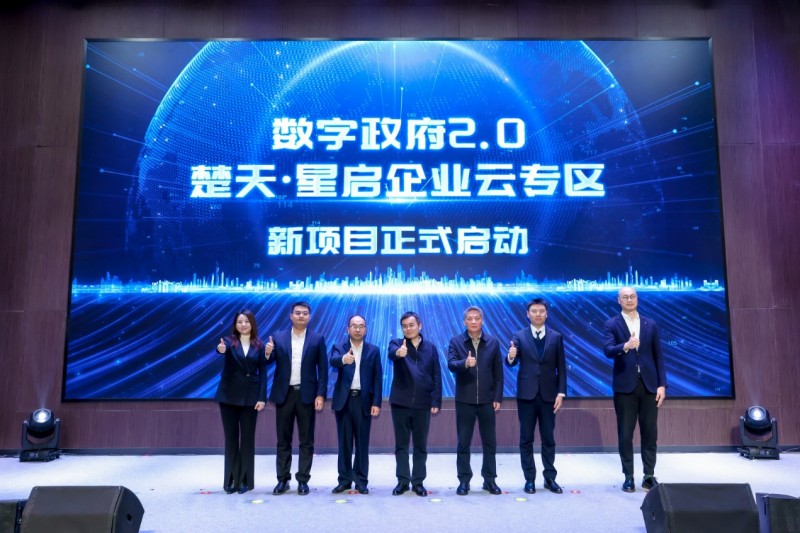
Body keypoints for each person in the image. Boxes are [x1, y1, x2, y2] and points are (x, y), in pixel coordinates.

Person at [603, 287, 667, 493]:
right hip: (625, 386)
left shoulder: (650, 324)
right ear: (618, 300)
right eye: (625, 297)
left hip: (649, 385)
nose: (629, 299)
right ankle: (628, 476)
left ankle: (649, 475)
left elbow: (658, 356)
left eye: (632, 296)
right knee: (625, 433)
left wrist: (662, 385)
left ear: (637, 299)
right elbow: (608, 350)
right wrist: (626, 345)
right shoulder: (611, 324)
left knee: (650, 433)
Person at [264, 301, 328, 496]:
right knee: (283, 440)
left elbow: (323, 369)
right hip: (284, 394)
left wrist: (320, 394)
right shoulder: (278, 337)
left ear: (310, 317)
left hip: (306, 395)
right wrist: (267, 353)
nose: (301, 316)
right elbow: (268, 361)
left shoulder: (317, 339)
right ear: (290, 316)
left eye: (305, 313)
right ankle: (282, 480)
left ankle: (303, 480)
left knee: (306, 440)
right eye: (298, 313)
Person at [507, 298, 567, 495]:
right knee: (526, 438)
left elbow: (561, 367)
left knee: (548, 438)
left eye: (541, 311)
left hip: (549, 395)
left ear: (546, 314)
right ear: (528, 314)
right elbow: (511, 362)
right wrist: (511, 356)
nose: (538, 314)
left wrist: (561, 392)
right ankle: (529, 479)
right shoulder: (519, 336)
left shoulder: (556, 337)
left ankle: (550, 478)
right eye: (534, 311)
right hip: (527, 395)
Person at [447, 306, 504, 496]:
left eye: (477, 318)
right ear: (464, 322)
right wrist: (465, 363)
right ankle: (464, 481)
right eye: (470, 318)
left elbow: (498, 373)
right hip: (465, 400)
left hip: (487, 400)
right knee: (463, 443)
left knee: (490, 442)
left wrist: (497, 396)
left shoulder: (493, 342)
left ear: (482, 321)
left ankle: (490, 480)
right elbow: (451, 364)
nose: (473, 321)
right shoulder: (456, 341)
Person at [387, 311, 442, 497]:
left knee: (420, 446)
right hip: (400, 403)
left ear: (420, 326)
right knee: (401, 445)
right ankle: (402, 481)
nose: (408, 329)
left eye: (411, 325)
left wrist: (436, 400)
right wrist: (399, 353)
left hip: (422, 403)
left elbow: (436, 374)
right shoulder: (397, 343)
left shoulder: (431, 348)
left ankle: (418, 482)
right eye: (404, 326)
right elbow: (392, 354)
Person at [213, 309, 268, 494]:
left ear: (252, 324)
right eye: (239, 322)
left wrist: (262, 398)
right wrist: (220, 349)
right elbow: (221, 349)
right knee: (231, 439)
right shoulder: (228, 342)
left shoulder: (259, 345)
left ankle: (245, 480)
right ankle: (231, 480)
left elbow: (263, 374)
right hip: (228, 397)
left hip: (251, 398)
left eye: (246, 321)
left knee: (247, 440)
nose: (243, 325)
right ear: (235, 325)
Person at [329, 314, 383, 495]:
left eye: (361, 326)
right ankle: (344, 480)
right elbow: (333, 360)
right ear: (348, 329)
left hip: (363, 401)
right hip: (344, 401)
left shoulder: (373, 350)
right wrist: (343, 359)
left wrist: (376, 402)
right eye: (354, 325)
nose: (357, 329)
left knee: (362, 444)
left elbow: (377, 378)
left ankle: (361, 481)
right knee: (344, 443)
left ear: (366, 329)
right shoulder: (339, 347)